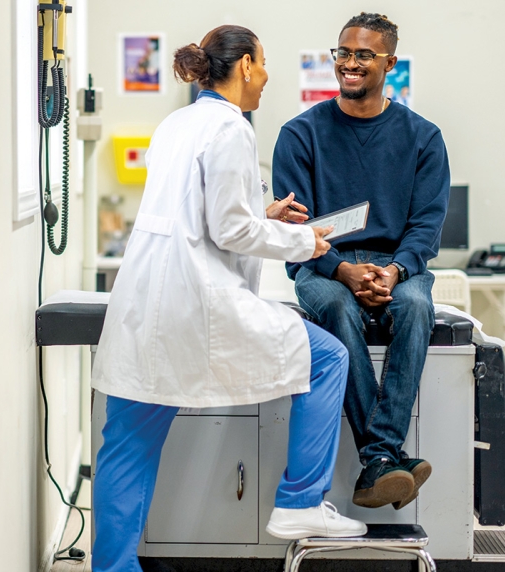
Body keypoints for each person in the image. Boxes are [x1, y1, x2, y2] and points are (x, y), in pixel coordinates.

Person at [91, 24, 367, 572]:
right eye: (263, 65)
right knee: (329, 356)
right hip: (196, 303)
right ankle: (299, 504)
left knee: (125, 447)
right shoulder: (233, 128)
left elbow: (203, 213)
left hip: (145, 305)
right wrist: (304, 238)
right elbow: (229, 232)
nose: (266, 77)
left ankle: (112, 567)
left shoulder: (177, 123)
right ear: (243, 65)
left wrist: (261, 214)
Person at [273, 12, 450, 511]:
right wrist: (343, 271)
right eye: (343, 53)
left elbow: (426, 224)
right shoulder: (299, 134)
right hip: (324, 265)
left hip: (397, 264)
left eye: (364, 55)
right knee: (338, 308)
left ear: (390, 63)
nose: (350, 64)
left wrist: (395, 271)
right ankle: (388, 456)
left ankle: (377, 458)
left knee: (415, 308)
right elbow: (296, 227)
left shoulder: (423, 137)